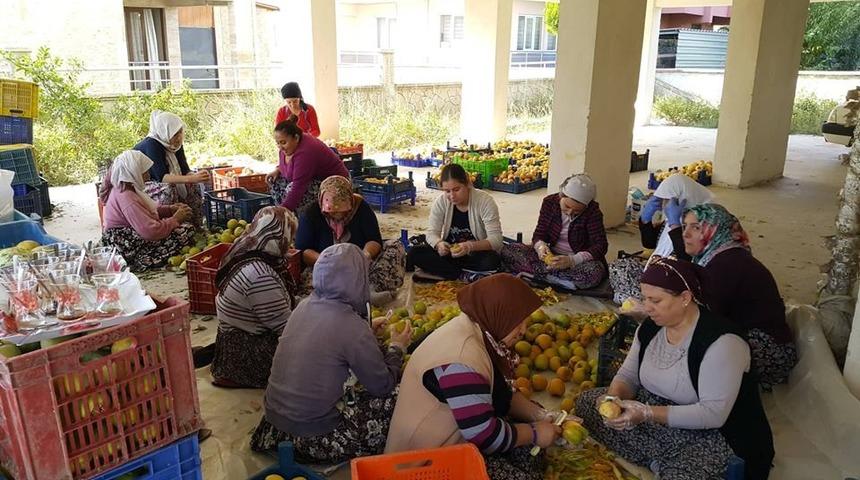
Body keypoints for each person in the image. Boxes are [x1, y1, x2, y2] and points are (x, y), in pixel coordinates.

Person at [577, 258, 774, 480]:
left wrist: (647, 413)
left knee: (683, 473)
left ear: (685, 298)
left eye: (656, 300)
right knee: (587, 403)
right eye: (644, 298)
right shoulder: (650, 327)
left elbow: (713, 414)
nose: (647, 307)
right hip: (656, 414)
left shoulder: (723, 342)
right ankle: (658, 458)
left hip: (708, 433)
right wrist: (612, 399)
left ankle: (667, 461)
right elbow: (628, 375)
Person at [385, 273, 561, 480]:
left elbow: (500, 392)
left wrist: (539, 415)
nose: (523, 330)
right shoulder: (461, 361)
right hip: (423, 464)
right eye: (517, 322)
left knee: (532, 454)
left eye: (525, 321)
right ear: (499, 313)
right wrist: (534, 433)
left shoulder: (479, 330)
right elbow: (485, 436)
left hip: (457, 434)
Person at [250, 243, 411, 464]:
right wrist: (396, 347)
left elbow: (327, 343)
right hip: (315, 436)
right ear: (358, 280)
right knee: (403, 390)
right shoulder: (352, 325)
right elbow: (381, 385)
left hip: (274, 429)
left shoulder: (302, 307)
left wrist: (366, 334)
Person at [682, 203, 797, 389]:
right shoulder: (722, 255)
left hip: (769, 353)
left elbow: (705, 321)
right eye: (684, 226)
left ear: (715, 230)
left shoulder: (725, 266)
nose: (685, 234)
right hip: (758, 340)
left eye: (696, 227)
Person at [209, 206, 299, 389]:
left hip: (237, 342)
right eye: (290, 236)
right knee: (319, 355)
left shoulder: (249, 251)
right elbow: (286, 328)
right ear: (279, 236)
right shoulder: (259, 274)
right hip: (248, 354)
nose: (292, 243)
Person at [609, 173, 713, 305]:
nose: (665, 205)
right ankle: (644, 301)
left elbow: (686, 261)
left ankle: (644, 303)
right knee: (618, 266)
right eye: (663, 200)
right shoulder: (671, 219)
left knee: (664, 293)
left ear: (685, 198)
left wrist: (675, 225)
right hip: (656, 272)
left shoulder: (703, 225)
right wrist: (646, 218)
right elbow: (649, 243)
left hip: (676, 281)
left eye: (670, 200)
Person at [295, 176, 405, 297]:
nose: (338, 214)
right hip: (326, 268)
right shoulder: (310, 213)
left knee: (395, 247)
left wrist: (364, 256)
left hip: (359, 266)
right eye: (332, 211)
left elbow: (374, 239)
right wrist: (327, 262)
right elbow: (303, 251)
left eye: (342, 210)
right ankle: (340, 296)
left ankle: (368, 291)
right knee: (309, 288)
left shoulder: (360, 207)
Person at [501, 174, 608, 290]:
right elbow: (539, 234)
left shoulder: (593, 213)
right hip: (551, 258)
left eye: (577, 211)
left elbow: (600, 246)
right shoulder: (549, 203)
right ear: (561, 196)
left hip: (576, 262)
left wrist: (572, 260)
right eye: (567, 206)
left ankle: (542, 277)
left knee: (594, 272)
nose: (570, 212)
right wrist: (540, 247)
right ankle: (560, 281)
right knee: (509, 250)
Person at [406, 164, 503, 282]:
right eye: (447, 191)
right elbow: (431, 233)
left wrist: (469, 246)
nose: (452, 196)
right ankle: (462, 275)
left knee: (491, 260)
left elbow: (496, 239)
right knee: (414, 252)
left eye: (457, 189)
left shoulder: (484, 201)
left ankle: (450, 273)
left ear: (467, 184)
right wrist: (439, 244)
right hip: (449, 254)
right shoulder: (441, 202)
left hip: (474, 254)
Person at [100, 150, 195, 271]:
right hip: (125, 245)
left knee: (183, 228)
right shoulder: (126, 196)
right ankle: (141, 260)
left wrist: (170, 209)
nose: (148, 174)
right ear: (134, 171)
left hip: (131, 235)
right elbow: (150, 231)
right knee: (185, 231)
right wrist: (175, 219)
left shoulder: (127, 188)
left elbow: (146, 210)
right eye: (144, 170)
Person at [133, 110, 208, 228]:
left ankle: (195, 225)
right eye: (175, 134)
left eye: (180, 132)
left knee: (195, 185)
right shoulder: (152, 144)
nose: (179, 138)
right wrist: (192, 178)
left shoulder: (175, 145)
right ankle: (173, 225)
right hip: (144, 186)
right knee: (169, 188)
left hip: (161, 182)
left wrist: (196, 176)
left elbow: (184, 169)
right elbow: (162, 177)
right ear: (165, 132)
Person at [266, 120, 350, 213]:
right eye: (278, 143)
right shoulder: (290, 147)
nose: (280, 147)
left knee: (291, 188)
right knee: (275, 181)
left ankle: (299, 220)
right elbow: (287, 164)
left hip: (336, 183)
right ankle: (286, 218)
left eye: (283, 142)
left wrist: (282, 211)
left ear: (296, 138)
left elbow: (298, 187)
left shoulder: (306, 152)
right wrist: (278, 169)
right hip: (312, 178)